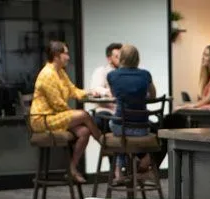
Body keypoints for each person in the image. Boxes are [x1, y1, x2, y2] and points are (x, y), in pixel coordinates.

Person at [30, 41, 101, 184]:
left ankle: (72, 168)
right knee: (84, 115)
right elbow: (57, 104)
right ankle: (103, 142)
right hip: (43, 119)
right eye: (66, 54)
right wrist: (74, 115)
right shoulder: (47, 74)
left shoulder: (60, 72)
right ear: (57, 55)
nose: (68, 57)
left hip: (55, 116)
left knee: (84, 132)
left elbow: (72, 90)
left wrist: (90, 93)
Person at [107, 44, 156, 183]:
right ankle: (140, 166)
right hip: (142, 129)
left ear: (121, 57)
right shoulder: (145, 75)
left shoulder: (112, 75)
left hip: (120, 128)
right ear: (137, 58)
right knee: (124, 133)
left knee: (115, 125)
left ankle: (119, 172)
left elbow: (114, 95)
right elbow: (153, 95)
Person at [89, 42, 121, 129]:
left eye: (122, 56)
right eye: (117, 57)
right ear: (109, 59)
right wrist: (109, 92)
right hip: (107, 109)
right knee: (100, 121)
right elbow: (96, 88)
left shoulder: (126, 72)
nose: (121, 59)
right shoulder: (101, 71)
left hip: (124, 111)